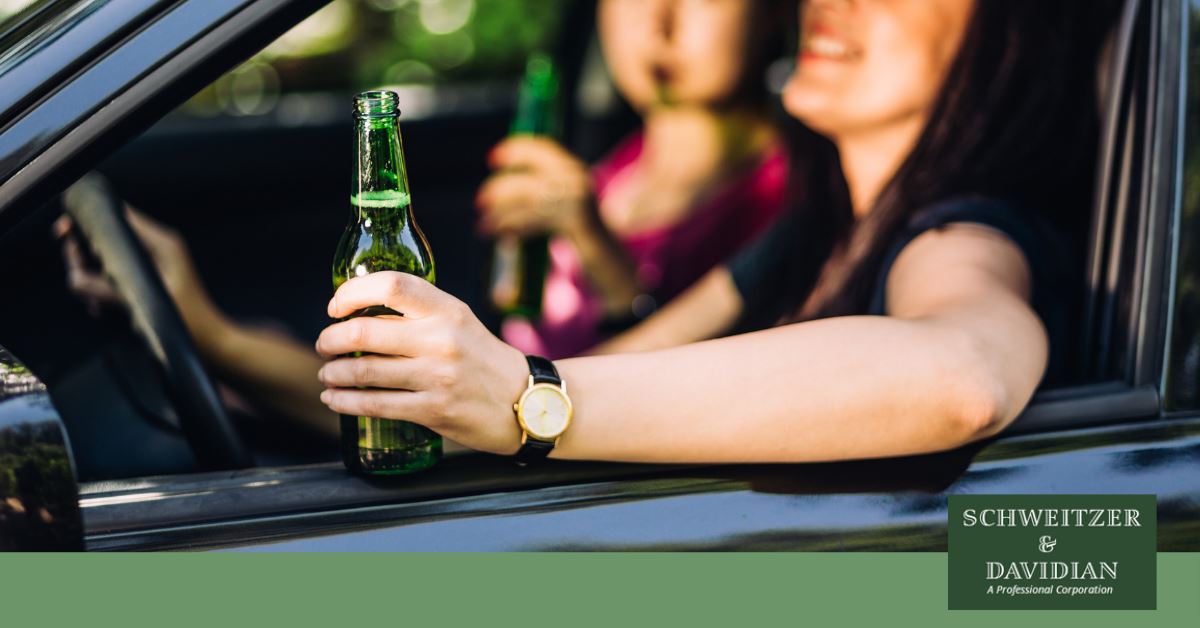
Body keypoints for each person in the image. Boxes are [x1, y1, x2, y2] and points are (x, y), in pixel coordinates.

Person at [312, 0, 1119, 463]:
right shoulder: (815, 230)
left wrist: (526, 399)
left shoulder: (965, 235)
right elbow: (626, 360)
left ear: (1011, 35)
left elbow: (962, 375)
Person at [481, 0, 790, 359]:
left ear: (772, 14)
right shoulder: (612, 168)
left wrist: (598, 252)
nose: (657, 23)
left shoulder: (795, 200)